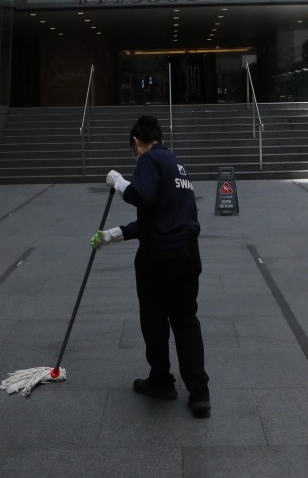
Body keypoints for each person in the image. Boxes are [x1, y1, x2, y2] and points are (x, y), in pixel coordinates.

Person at [90, 115, 210, 418]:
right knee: (186, 321)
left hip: (158, 259)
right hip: (188, 254)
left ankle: (161, 381)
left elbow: (142, 197)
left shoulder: (149, 160)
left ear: (136, 143)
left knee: (154, 320)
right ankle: (199, 393)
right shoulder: (177, 165)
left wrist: (119, 182)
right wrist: (115, 234)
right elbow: (161, 216)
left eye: (133, 150)